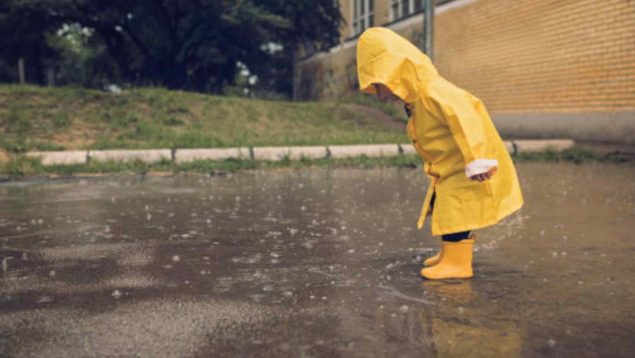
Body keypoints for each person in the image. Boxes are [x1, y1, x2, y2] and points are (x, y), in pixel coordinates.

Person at [356, 27, 524, 280]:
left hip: (464, 165)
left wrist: (477, 159)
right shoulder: (417, 98)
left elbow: (466, 119)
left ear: (395, 72)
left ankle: (459, 263)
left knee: (457, 212)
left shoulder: (433, 92)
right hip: (449, 167)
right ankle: (450, 255)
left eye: (379, 85)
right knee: (447, 208)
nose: (379, 95)